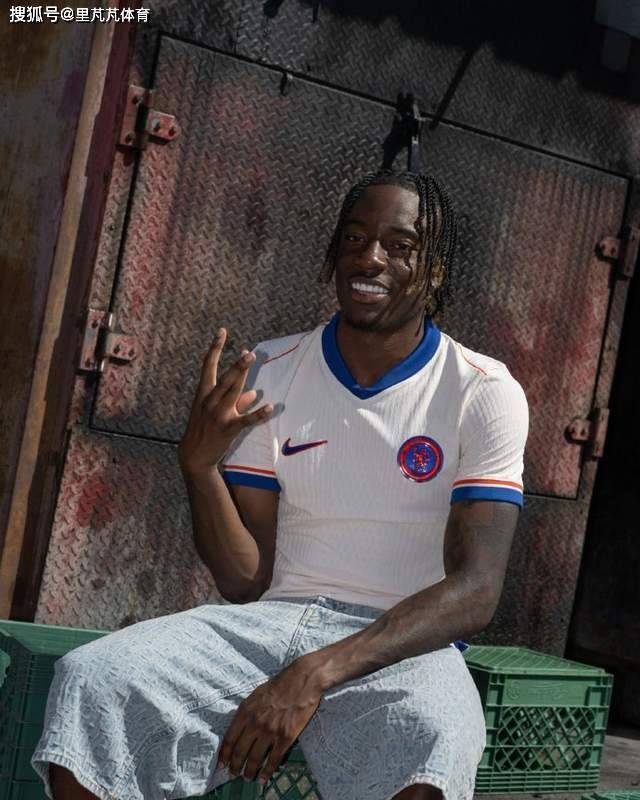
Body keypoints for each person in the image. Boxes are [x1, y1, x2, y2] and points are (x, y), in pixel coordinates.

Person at [32, 169, 528, 800]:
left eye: (400, 246)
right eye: (354, 239)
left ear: (434, 272)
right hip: (270, 626)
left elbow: (477, 591)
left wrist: (315, 673)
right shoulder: (272, 368)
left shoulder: (482, 390)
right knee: (93, 679)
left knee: (437, 735)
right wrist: (199, 468)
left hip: (403, 648)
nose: (370, 258)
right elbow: (246, 579)